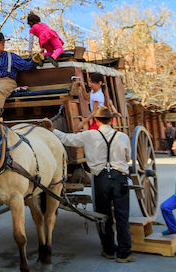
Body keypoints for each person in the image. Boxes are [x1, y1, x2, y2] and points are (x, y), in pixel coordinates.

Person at [46, 106, 134, 262]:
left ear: (96, 121)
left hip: (100, 179)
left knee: (103, 215)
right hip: (119, 178)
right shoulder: (122, 137)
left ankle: (108, 250)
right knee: (122, 215)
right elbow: (127, 158)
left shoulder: (89, 135)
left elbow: (67, 139)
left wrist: (52, 129)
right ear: (112, 120)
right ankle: (124, 253)